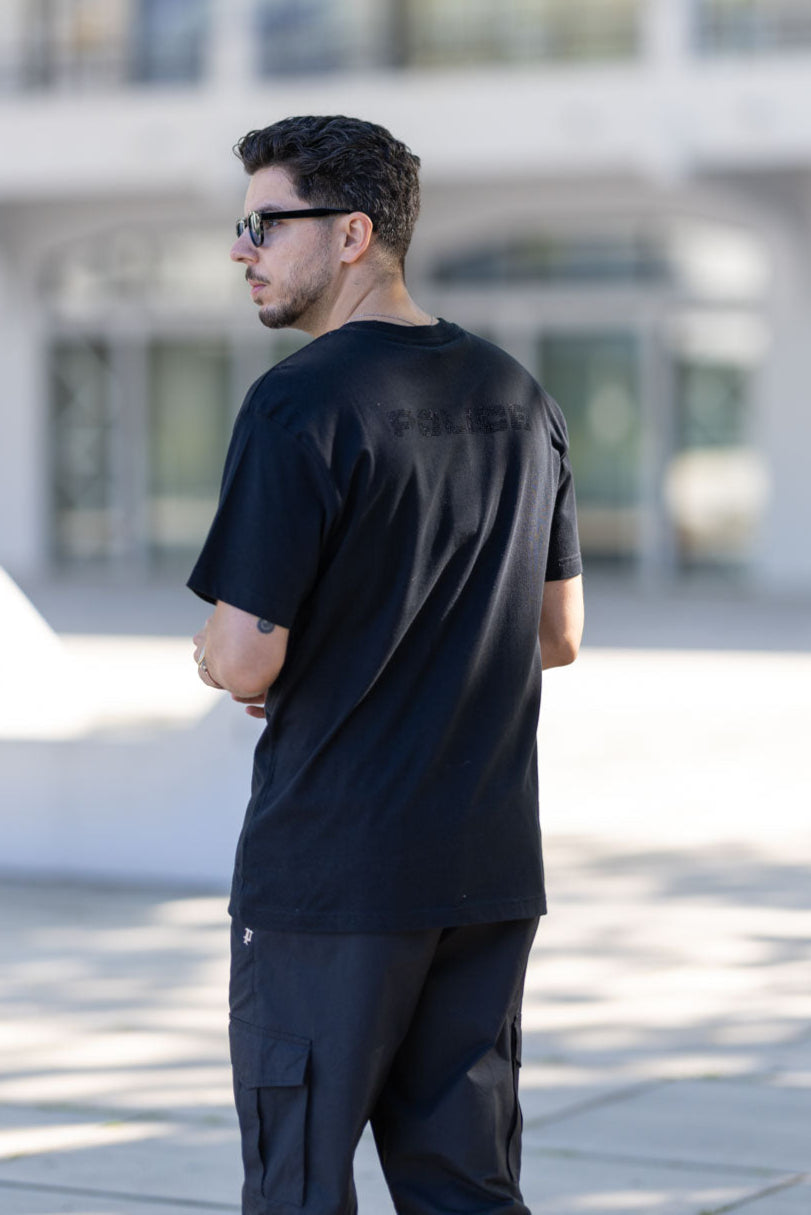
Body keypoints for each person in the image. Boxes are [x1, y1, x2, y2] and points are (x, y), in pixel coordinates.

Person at [188, 115, 584, 1215]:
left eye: (267, 223)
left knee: (300, 1186)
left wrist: (221, 658)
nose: (242, 248)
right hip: (485, 867)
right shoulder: (519, 396)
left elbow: (243, 655)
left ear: (353, 233)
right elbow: (557, 635)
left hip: (334, 873)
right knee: (467, 1187)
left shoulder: (298, 402)